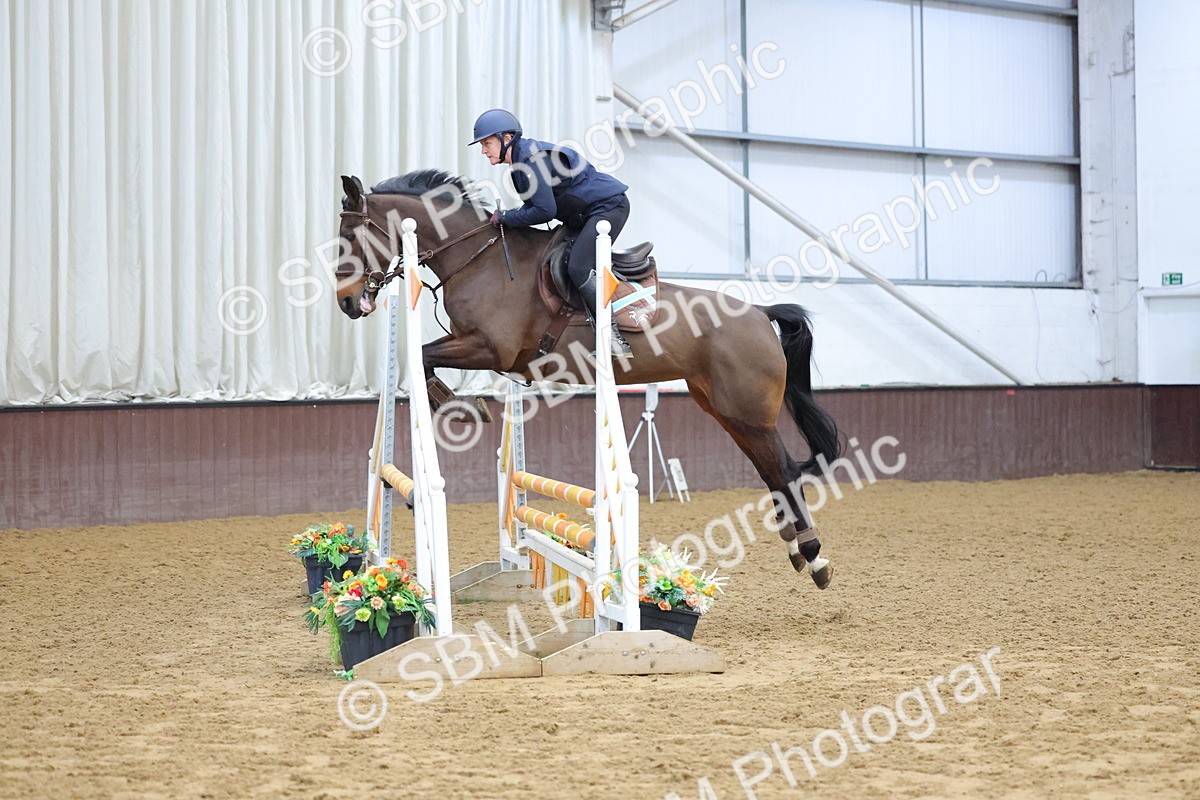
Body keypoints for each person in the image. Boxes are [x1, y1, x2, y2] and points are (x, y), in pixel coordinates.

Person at [469, 108, 633, 357]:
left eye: (487, 143)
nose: (483, 150)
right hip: (583, 215)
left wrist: (506, 217)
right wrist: (507, 218)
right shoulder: (521, 164)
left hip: (608, 208)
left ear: (506, 139)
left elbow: (545, 211)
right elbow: (535, 207)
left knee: (578, 267)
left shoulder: (531, 160)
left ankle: (612, 338)